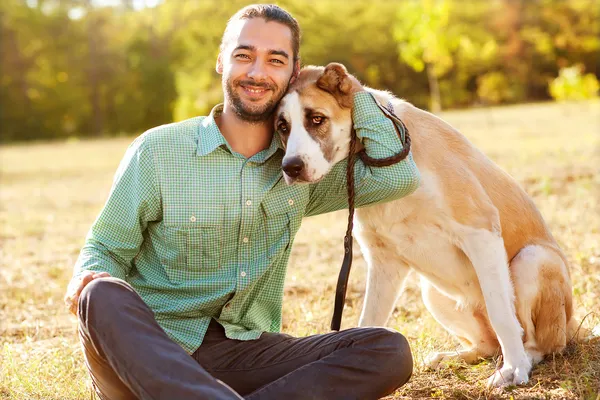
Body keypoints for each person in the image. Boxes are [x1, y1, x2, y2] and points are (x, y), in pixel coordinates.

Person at [64, 4, 420, 400]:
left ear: (293, 73)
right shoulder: (157, 151)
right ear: (221, 61)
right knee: (101, 294)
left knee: (386, 349)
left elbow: (398, 174)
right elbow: (105, 247)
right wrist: (87, 276)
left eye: (275, 60)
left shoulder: (299, 169)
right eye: (244, 55)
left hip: (245, 354)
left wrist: (348, 90)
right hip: (146, 354)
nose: (256, 72)